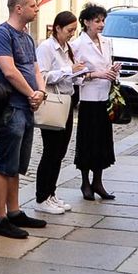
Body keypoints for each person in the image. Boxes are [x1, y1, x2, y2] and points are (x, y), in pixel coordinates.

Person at [0, 0, 49, 239]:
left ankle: (14, 211)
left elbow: (35, 69)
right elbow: (9, 71)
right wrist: (30, 94)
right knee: (5, 164)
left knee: (17, 164)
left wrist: (41, 91)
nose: (37, 9)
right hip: (11, 107)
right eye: (33, 5)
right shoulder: (2, 34)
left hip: (26, 106)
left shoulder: (27, 37)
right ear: (18, 8)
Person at [33, 11, 82, 215]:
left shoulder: (66, 47)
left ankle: (51, 193)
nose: (72, 34)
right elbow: (43, 76)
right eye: (69, 30)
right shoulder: (46, 47)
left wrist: (80, 74)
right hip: (53, 102)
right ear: (58, 28)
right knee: (51, 151)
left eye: (74, 30)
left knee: (60, 152)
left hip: (67, 101)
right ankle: (41, 196)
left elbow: (70, 74)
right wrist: (69, 70)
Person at [72, 4, 122, 201]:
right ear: (86, 22)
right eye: (97, 21)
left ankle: (98, 181)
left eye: (103, 20)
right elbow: (75, 75)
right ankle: (85, 181)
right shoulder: (78, 45)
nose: (101, 24)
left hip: (105, 96)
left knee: (102, 141)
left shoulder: (106, 42)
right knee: (88, 141)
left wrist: (112, 70)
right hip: (89, 98)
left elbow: (106, 65)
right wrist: (95, 74)